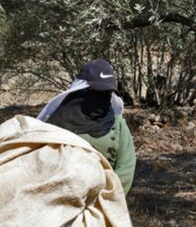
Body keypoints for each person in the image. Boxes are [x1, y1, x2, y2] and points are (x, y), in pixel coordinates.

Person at [38, 58, 136, 194]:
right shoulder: (54, 121)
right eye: (97, 92)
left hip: (101, 202)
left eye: (107, 92)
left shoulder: (117, 124)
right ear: (82, 90)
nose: (102, 98)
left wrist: (107, 198)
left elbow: (126, 167)